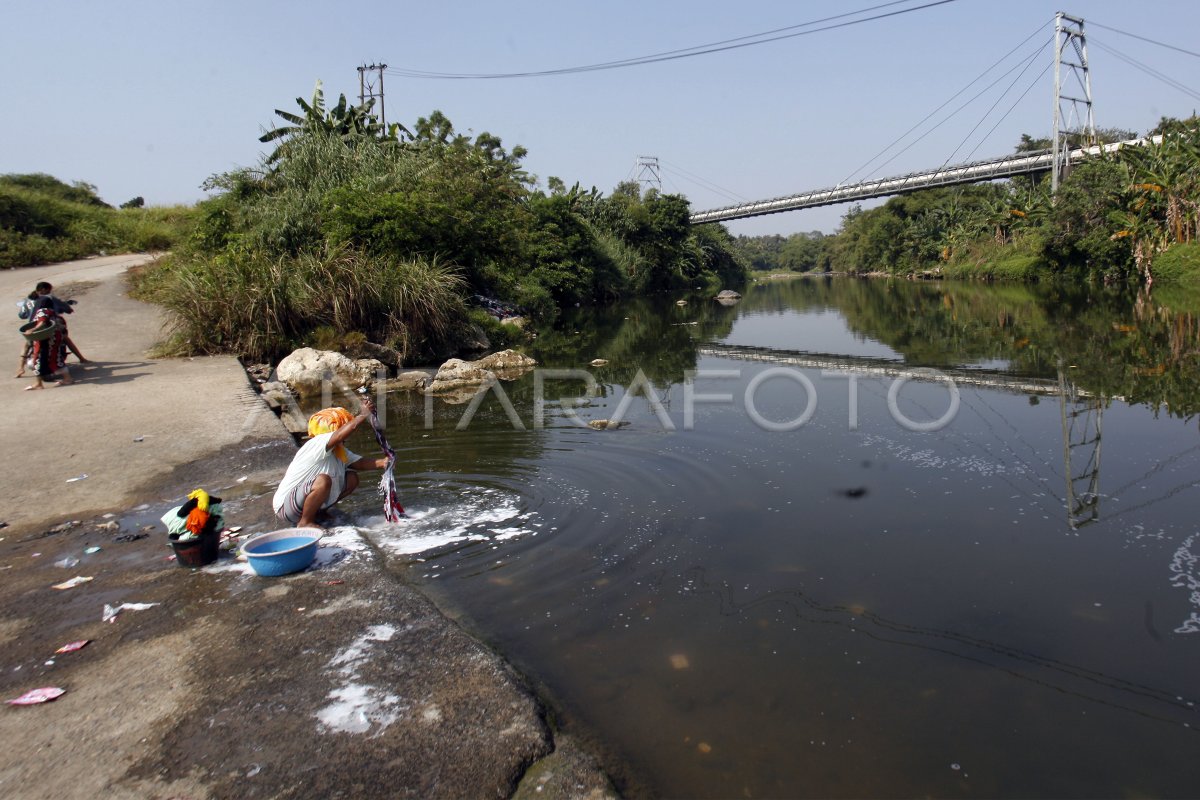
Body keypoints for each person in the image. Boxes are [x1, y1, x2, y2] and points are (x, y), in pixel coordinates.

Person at [272, 396, 389, 529]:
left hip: (302, 504)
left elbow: (360, 463)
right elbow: (339, 435)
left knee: (352, 478)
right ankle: (305, 522)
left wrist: (385, 462)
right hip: (286, 508)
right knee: (323, 480)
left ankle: (319, 512)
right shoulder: (317, 443)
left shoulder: (339, 451)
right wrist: (362, 415)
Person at [20, 296, 73, 390]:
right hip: (54, 338)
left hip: (46, 339)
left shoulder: (42, 311)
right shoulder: (52, 312)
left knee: (38, 360)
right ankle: (67, 378)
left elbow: (42, 322)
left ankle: (39, 383)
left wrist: (32, 329)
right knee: (56, 358)